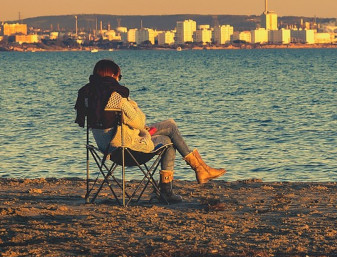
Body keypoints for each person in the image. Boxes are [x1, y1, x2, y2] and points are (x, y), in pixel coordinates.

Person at [75, 59, 226, 203]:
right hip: (127, 149)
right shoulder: (116, 96)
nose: (119, 80)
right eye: (119, 76)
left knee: (169, 129)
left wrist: (138, 128)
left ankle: (197, 170)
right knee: (169, 135)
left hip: (106, 148)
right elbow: (140, 122)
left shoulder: (88, 95)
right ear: (113, 75)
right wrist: (132, 104)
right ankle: (179, 183)